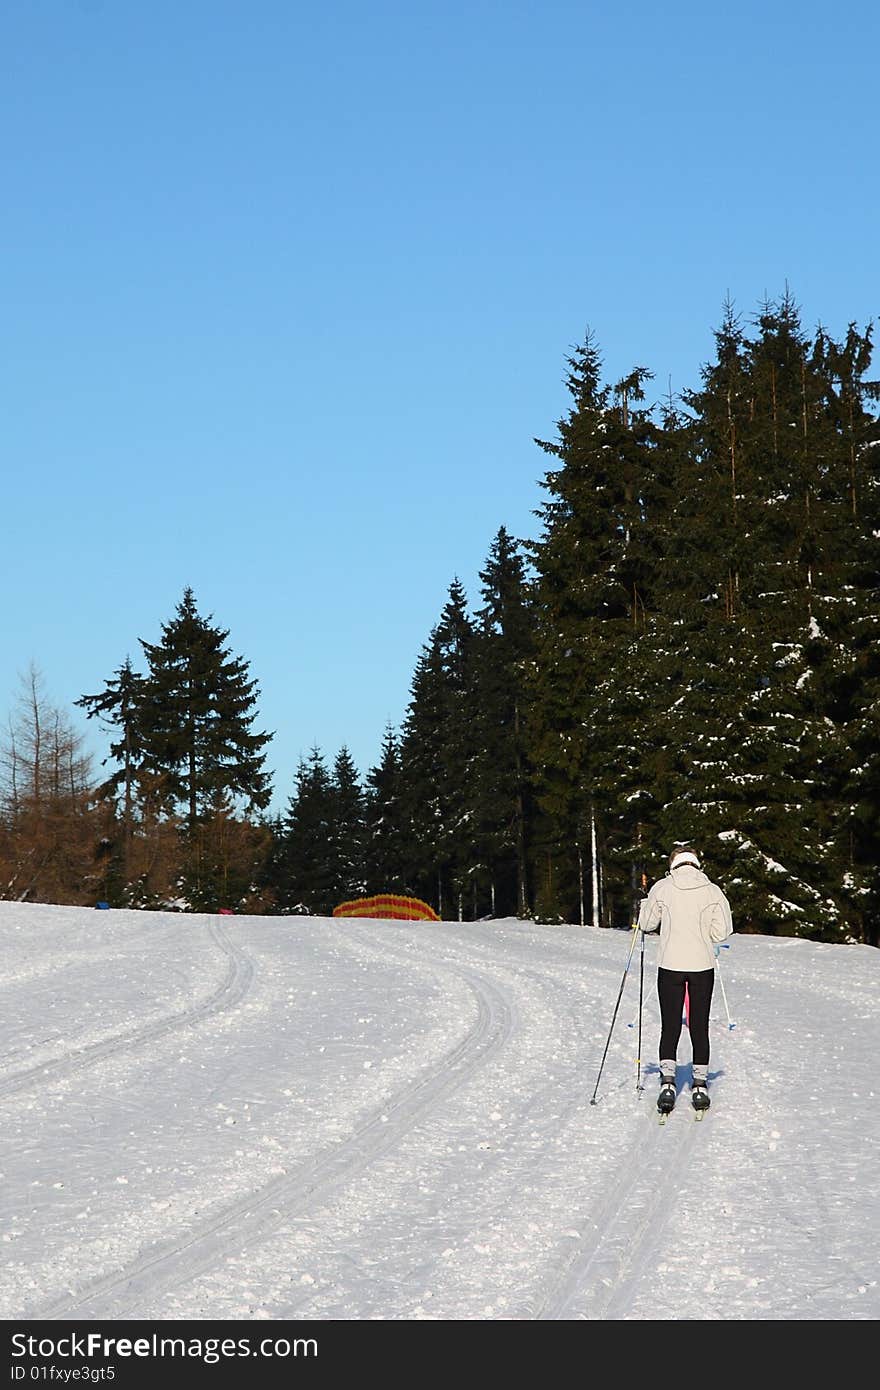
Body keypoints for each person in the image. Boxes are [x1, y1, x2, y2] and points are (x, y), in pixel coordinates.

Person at [638, 844, 733, 1115]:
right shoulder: (712, 890)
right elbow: (722, 931)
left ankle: (668, 1082)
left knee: (670, 1024)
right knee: (699, 1024)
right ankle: (700, 1085)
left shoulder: (662, 888)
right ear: (696, 863)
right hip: (702, 966)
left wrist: (645, 904)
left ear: (674, 863)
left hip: (670, 966)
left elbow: (646, 924)